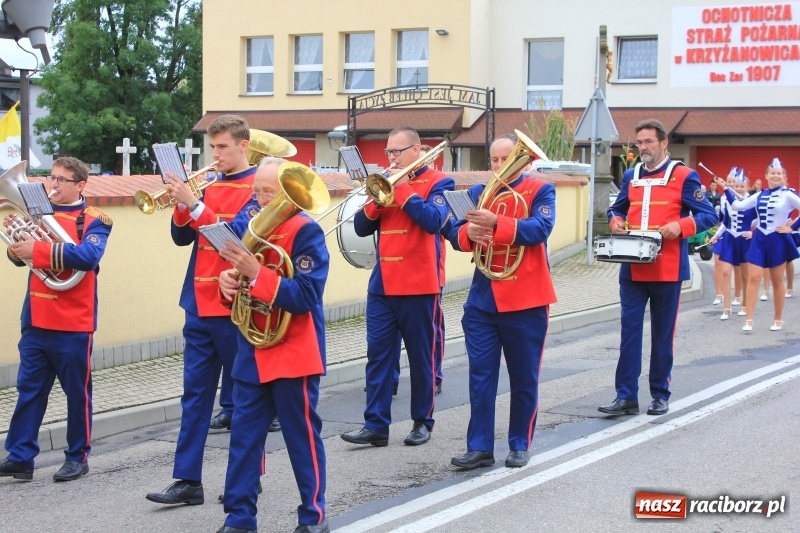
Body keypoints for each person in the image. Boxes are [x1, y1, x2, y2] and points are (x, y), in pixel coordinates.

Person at [146, 115, 258, 506]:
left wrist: (194, 204)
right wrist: (182, 203)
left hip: (234, 306)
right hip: (197, 303)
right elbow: (181, 238)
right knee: (194, 397)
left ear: (243, 146)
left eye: (223, 147)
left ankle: (247, 478)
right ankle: (187, 479)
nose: (216, 155)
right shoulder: (207, 185)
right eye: (213, 148)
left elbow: (234, 238)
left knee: (246, 396)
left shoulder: (257, 187)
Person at [216, 156, 329, 533]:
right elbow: (238, 290)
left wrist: (255, 273)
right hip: (252, 349)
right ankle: (239, 517)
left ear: (288, 193)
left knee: (302, 439)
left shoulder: (305, 231)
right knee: (244, 440)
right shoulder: (250, 230)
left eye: (267, 192)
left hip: (293, 351)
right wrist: (227, 286)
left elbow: (305, 297)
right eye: (257, 192)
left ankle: (313, 516)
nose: (260, 200)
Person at [447, 134, 556, 470]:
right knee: (480, 377)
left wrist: (498, 222)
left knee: (524, 377)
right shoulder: (479, 193)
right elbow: (450, 229)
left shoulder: (541, 190)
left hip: (526, 301)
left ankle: (520, 443)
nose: (499, 166)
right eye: (494, 159)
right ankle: (479, 447)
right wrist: (469, 235)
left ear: (524, 160)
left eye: (506, 158)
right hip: (483, 301)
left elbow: (540, 228)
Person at [0, 157, 112, 482]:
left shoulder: (94, 218)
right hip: (36, 318)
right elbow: (22, 258)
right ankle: (21, 456)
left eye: (62, 180)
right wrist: (16, 246)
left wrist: (35, 250)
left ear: (80, 185)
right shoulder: (37, 211)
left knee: (77, 393)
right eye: (52, 178)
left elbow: (89, 258)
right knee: (29, 390)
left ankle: (78, 456)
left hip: (73, 322)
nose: (54, 185)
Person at [341, 126, 454, 447]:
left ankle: (422, 421)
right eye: (388, 152)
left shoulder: (439, 182)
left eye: (396, 152)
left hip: (420, 285)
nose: (389, 158)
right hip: (383, 285)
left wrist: (402, 190)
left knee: (422, 358)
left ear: (417, 150)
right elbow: (362, 227)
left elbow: (434, 221)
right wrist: (378, 197)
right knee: (378, 356)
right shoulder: (384, 182)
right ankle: (375, 424)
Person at [599, 119, 717, 417]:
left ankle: (659, 394)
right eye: (640, 142)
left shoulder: (685, 175)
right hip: (632, 270)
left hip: (668, 270)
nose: (644, 147)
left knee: (662, 335)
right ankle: (625, 396)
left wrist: (681, 225)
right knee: (629, 334)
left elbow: (708, 215)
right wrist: (615, 220)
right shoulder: (630, 175)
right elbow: (617, 207)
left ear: (664, 143)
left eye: (649, 141)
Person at [718, 158, 800, 331]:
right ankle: (748, 320)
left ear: (783, 176)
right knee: (754, 277)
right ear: (766, 175)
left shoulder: (788, 195)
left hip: (777, 239)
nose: (775, 175)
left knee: (777, 280)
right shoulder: (758, 195)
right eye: (772, 173)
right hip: (759, 239)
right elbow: (737, 206)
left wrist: (791, 227)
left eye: (778, 173)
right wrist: (726, 189)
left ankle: (778, 319)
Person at [708, 168, 755, 320]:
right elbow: (726, 223)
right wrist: (716, 235)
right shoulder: (729, 201)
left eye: (742, 186)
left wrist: (752, 233)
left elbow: (762, 221)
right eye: (737, 185)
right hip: (729, 238)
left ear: (748, 187)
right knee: (726, 271)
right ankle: (726, 308)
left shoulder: (753, 201)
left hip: (745, 240)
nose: (739, 188)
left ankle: (744, 304)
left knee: (745, 275)